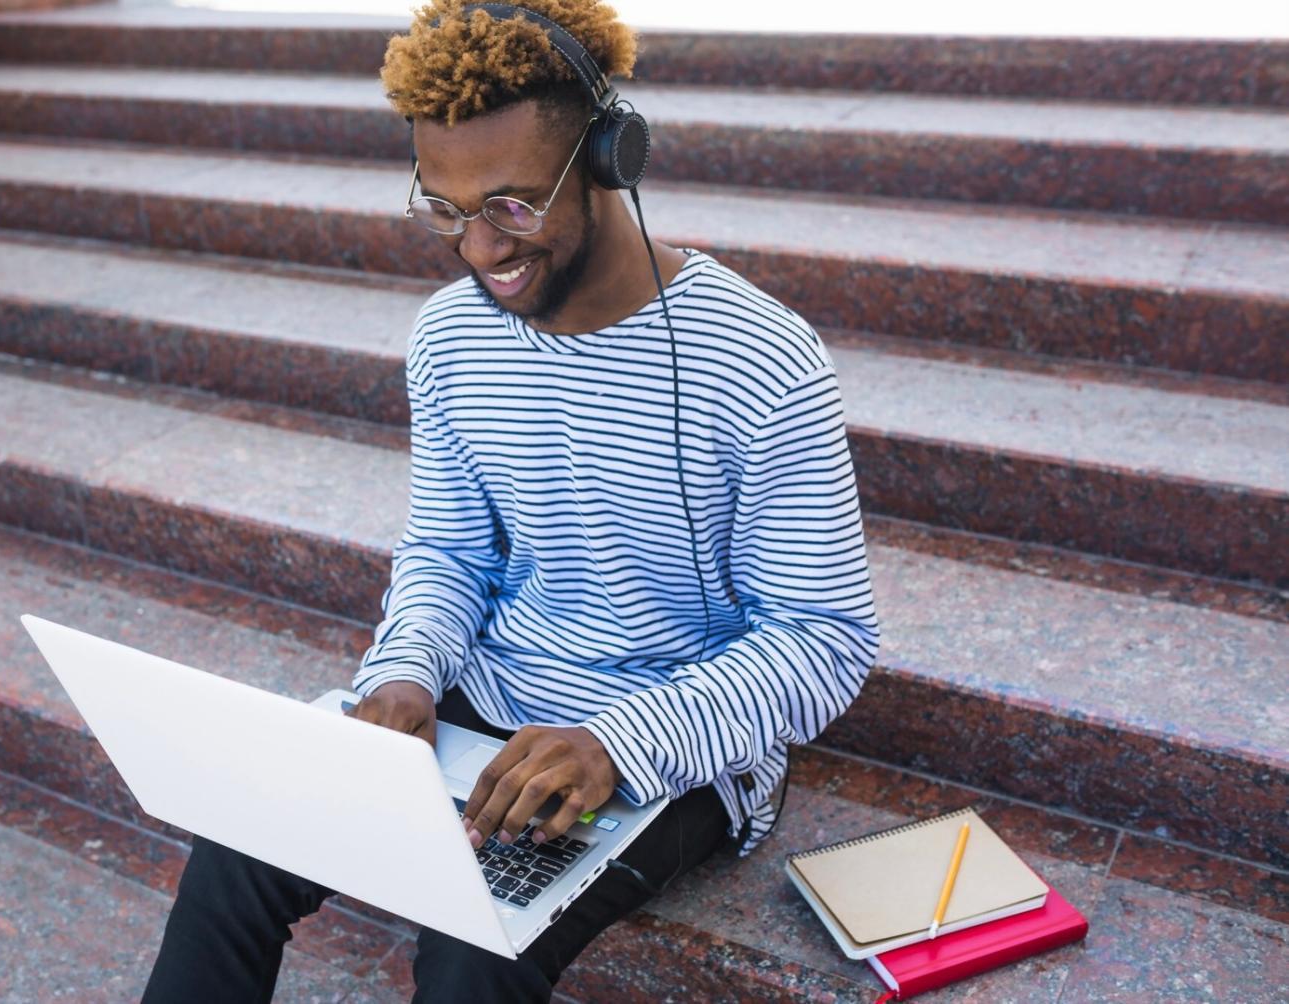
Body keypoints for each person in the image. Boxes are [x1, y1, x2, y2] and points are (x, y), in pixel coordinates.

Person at [142, 2, 880, 1000]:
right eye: (444, 209)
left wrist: (621, 742)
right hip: (488, 698)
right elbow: (449, 550)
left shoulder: (759, 360)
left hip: (674, 744)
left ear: (609, 159)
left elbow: (821, 635)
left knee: (473, 943)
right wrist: (402, 673)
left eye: (513, 205)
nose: (481, 248)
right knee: (240, 841)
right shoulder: (449, 337)